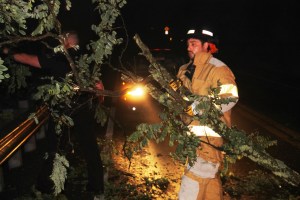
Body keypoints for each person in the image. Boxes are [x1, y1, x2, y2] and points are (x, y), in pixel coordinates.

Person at [3, 31, 105, 197]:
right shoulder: (86, 63)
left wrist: (8, 52)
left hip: (62, 111)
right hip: (81, 110)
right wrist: (98, 99)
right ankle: (96, 186)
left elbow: (29, 59)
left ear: (65, 42)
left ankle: (45, 185)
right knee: (89, 148)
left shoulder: (59, 58)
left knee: (53, 147)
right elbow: (101, 90)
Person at [177, 28, 239, 199]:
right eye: (188, 44)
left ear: (207, 46)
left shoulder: (218, 68)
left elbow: (230, 97)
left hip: (210, 139)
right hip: (191, 136)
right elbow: (177, 97)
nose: (189, 47)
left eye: (194, 44)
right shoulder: (184, 69)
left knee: (192, 183)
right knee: (209, 182)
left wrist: (200, 107)